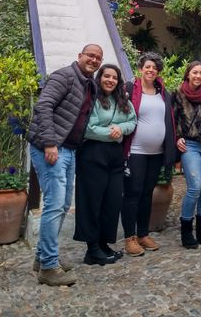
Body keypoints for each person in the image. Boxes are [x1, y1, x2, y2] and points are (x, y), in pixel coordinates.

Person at [27, 44, 102, 286]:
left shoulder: (89, 83)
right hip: (51, 149)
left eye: (98, 58)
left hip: (69, 150)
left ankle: (42, 259)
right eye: (90, 55)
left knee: (62, 204)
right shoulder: (64, 76)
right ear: (79, 56)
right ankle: (49, 267)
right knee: (55, 205)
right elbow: (44, 106)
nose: (93, 60)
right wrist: (50, 143)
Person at [74, 64, 136, 265]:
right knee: (92, 202)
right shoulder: (91, 99)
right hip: (93, 154)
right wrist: (112, 133)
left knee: (112, 201)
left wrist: (120, 127)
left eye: (114, 77)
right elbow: (88, 129)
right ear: (99, 78)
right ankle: (92, 249)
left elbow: (132, 121)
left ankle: (104, 243)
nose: (110, 80)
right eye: (106, 76)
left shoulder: (123, 100)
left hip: (115, 156)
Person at [121, 52, 177, 257]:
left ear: (158, 71)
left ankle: (143, 234)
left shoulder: (163, 92)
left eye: (154, 67)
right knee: (132, 193)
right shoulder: (130, 89)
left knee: (147, 193)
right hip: (135, 151)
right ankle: (129, 237)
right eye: (147, 67)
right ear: (140, 69)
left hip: (156, 152)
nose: (150, 70)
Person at [174, 61, 201, 249]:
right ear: (188, 74)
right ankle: (186, 230)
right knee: (195, 187)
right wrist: (176, 137)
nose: (198, 76)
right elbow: (171, 118)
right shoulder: (178, 93)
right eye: (195, 72)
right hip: (190, 145)